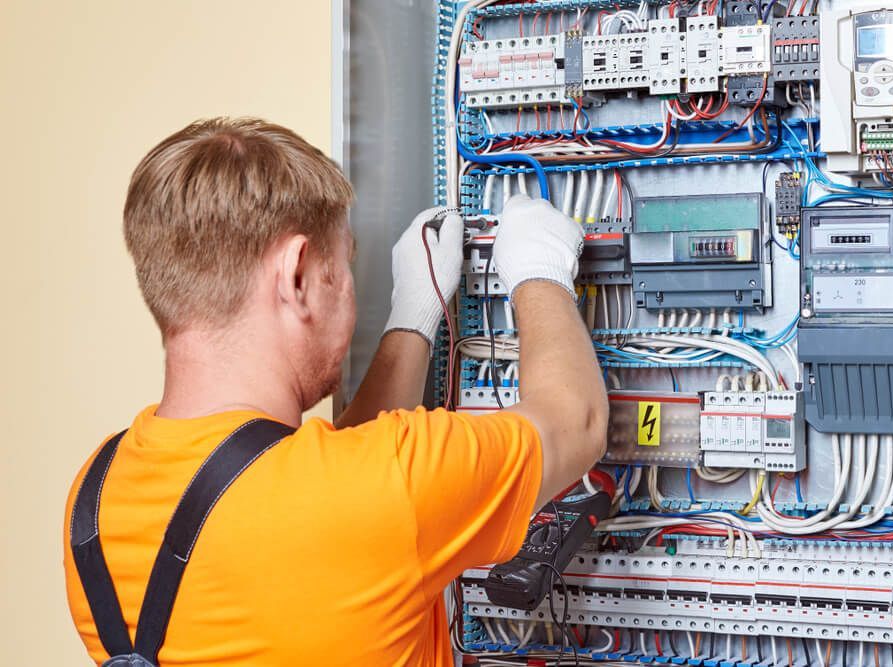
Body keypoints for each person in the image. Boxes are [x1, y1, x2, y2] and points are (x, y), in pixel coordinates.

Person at [63, 117, 608, 666]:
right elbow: (575, 420)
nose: (349, 287)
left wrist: (413, 318)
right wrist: (540, 271)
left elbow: (299, 485)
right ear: (297, 275)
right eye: (343, 265)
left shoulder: (93, 499)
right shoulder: (382, 485)